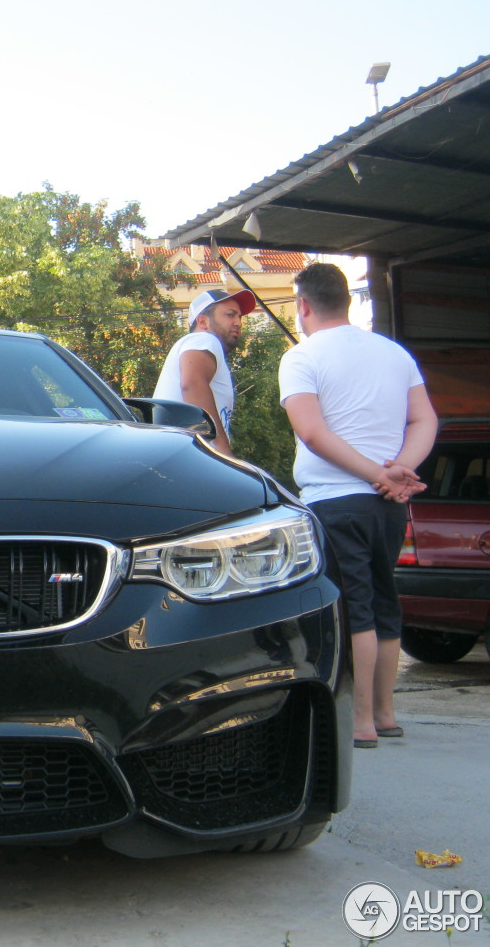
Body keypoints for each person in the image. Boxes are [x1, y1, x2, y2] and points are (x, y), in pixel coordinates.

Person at [278, 262, 437, 749]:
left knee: (354, 610)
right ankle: (386, 714)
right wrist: (398, 474)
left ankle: (361, 721)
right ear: (346, 299)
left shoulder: (301, 358)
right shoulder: (395, 353)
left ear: (303, 305)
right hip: (389, 505)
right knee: (385, 602)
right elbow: (425, 420)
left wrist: (375, 474)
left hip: (336, 501)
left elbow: (311, 431)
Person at [153, 288, 256, 456]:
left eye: (239, 316)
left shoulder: (197, 345)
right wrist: (222, 451)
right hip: (189, 457)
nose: (238, 322)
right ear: (203, 322)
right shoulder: (204, 339)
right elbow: (192, 385)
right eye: (230, 315)